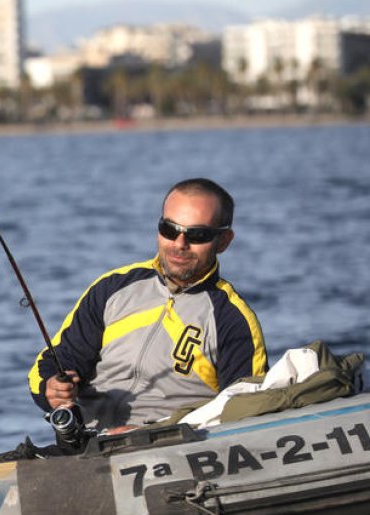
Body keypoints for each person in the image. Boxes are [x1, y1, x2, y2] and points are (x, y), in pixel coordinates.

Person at [29, 178, 267, 432]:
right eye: (169, 229)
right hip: (86, 447)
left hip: (175, 450)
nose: (179, 244)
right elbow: (53, 363)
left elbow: (245, 417)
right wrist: (51, 388)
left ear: (224, 241)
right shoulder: (112, 287)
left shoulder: (234, 319)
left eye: (197, 235)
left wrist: (152, 434)